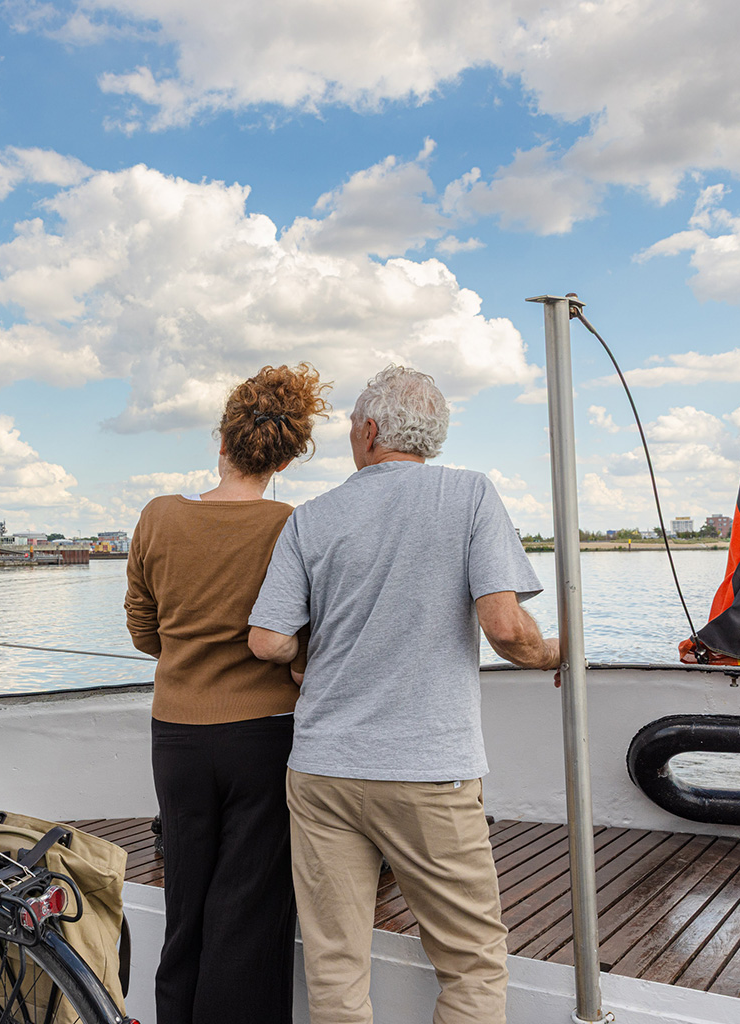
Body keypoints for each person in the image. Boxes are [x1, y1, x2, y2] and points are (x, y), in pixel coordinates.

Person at [247, 364, 560, 1024]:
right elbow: (504, 629)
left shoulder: (311, 518)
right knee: (470, 960)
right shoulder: (469, 495)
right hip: (428, 769)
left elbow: (269, 643)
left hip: (323, 766)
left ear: (367, 430)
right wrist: (552, 654)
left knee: (334, 962)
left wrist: (312, 656)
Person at [124, 363, 330, 1024]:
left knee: (186, 903)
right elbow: (306, 637)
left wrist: (189, 658)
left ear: (222, 439)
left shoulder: (157, 516)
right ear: (287, 456)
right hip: (264, 736)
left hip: (176, 736)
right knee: (248, 911)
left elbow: (142, 631)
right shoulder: (293, 527)